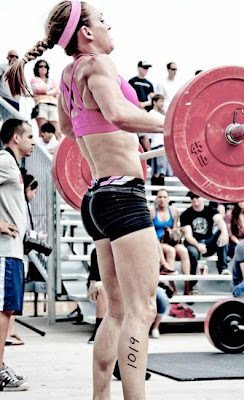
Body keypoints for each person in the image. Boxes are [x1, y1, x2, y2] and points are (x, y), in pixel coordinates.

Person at [6, 3, 164, 399]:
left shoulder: (68, 76)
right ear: (87, 34)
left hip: (96, 196)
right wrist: (178, 123)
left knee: (116, 310)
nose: (108, 24)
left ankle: (100, 397)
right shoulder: (97, 65)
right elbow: (117, 113)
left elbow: (66, 129)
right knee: (141, 310)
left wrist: (109, 145)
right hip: (123, 196)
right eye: (101, 20)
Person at [0, 118, 35, 391]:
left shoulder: (13, 165)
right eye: (30, 136)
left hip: (14, 251)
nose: (33, 142)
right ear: (15, 137)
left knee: (8, 310)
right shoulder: (4, 160)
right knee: (3, 311)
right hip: (4, 250)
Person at [149, 189, 191, 295]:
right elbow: (149, 231)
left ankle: (187, 287)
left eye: (164, 197)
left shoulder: (173, 211)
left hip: (170, 240)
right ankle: (172, 287)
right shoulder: (152, 211)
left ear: (168, 199)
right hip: (157, 242)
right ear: (156, 199)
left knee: (183, 251)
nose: (162, 199)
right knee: (171, 251)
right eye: (160, 197)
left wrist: (173, 232)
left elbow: (175, 229)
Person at [180, 192, 230, 279]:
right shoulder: (186, 214)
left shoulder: (211, 210)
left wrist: (224, 232)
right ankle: (192, 281)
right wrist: (198, 246)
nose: (194, 199)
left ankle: (223, 268)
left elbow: (220, 221)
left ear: (202, 197)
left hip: (208, 242)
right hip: (193, 243)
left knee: (222, 233)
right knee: (193, 253)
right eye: (192, 197)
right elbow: (188, 236)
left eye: (196, 196)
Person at [30, 59, 61, 140]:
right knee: (42, 131)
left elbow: (57, 90)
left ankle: (60, 151)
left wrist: (45, 92)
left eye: (45, 66)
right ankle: (43, 151)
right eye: (41, 66)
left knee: (58, 132)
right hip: (41, 106)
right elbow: (38, 89)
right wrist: (51, 90)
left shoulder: (51, 80)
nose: (43, 68)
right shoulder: (34, 80)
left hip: (53, 106)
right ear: (37, 68)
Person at [129, 60, 154, 152]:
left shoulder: (149, 83)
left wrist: (144, 104)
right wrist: (138, 105)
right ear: (139, 68)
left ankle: (149, 157)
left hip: (146, 112)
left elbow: (152, 99)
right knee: (141, 136)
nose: (146, 70)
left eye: (147, 68)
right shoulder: (132, 81)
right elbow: (129, 96)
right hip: (135, 112)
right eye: (144, 67)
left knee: (147, 135)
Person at [149, 94, 173, 188]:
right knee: (157, 170)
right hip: (157, 144)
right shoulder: (151, 113)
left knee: (162, 170)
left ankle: (161, 191)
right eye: (161, 101)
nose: (163, 104)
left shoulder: (162, 114)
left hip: (162, 144)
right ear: (155, 102)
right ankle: (156, 192)